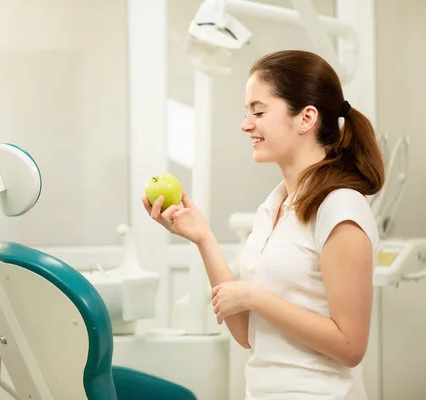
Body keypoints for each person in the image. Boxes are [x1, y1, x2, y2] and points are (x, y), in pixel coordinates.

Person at [143, 49, 385, 400]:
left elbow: (350, 345)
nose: (246, 124)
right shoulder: (274, 207)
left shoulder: (340, 207)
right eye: (247, 112)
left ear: (306, 118)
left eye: (258, 111)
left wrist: (257, 297)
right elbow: (246, 334)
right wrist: (203, 238)